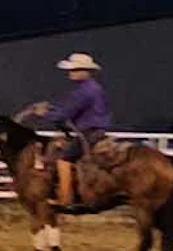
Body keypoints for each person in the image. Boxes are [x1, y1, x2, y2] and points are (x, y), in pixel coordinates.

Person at [25, 52, 113, 207]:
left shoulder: (84, 91)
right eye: (72, 70)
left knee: (63, 159)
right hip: (95, 130)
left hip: (88, 132)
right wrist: (52, 110)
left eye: (76, 70)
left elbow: (65, 113)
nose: (71, 73)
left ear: (86, 71)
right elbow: (67, 109)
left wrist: (44, 114)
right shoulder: (91, 88)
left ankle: (66, 198)